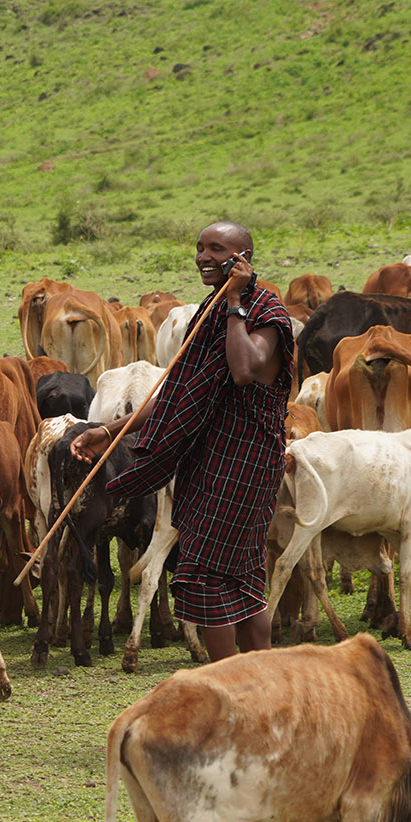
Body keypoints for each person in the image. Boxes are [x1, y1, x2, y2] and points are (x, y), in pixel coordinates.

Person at [68, 221, 292, 661]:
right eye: (199, 248)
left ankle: (230, 681)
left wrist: (232, 302)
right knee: (240, 577)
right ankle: (260, 677)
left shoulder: (266, 314)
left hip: (246, 465)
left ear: (243, 258)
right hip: (209, 463)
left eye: (217, 249)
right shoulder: (208, 315)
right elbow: (174, 396)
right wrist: (108, 433)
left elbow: (244, 369)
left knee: (208, 574)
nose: (204, 258)